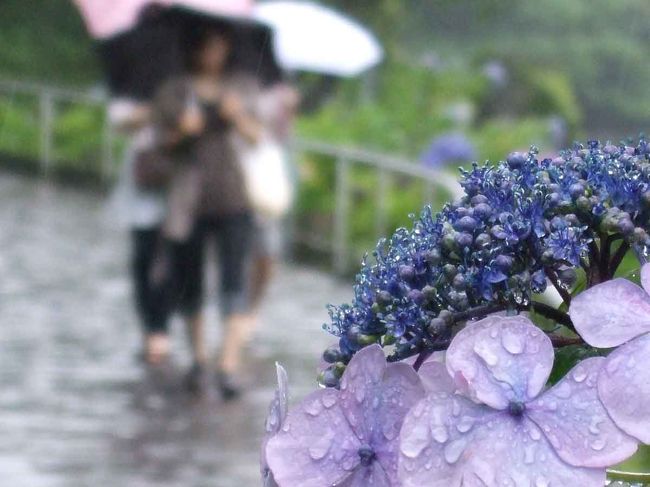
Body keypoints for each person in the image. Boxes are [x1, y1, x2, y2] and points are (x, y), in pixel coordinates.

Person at [152, 27, 261, 398]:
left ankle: (228, 363)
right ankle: (199, 358)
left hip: (233, 197)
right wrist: (182, 132)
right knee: (191, 282)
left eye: (220, 46)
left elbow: (256, 136)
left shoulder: (240, 86)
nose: (214, 53)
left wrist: (237, 116)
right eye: (207, 46)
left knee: (234, 281)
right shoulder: (175, 90)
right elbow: (158, 146)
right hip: (190, 202)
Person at [108, 99, 171, 365]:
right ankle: (152, 329)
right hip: (143, 192)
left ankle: (159, 329)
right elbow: (120, 122)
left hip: (178, 192)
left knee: (167, 263)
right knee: (143, 260)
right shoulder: (137, 86)